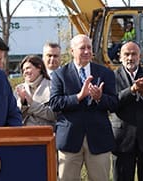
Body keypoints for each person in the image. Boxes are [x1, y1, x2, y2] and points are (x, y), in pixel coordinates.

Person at [49, 34, 118, 180]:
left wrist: (100, 98)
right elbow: (55, 103)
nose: (87, 51)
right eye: (82, 48)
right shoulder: (60, 75)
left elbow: (114, 103)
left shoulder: (105, 73)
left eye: (89, 48)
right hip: (70, 140)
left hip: (98, 139)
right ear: (72, 51)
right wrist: (78, 97)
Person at [110, 41, 143, 181]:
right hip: (122, 139)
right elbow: (112, 104)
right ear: (120, 57)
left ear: (140, 56)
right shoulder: (112, 77)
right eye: (126, 54)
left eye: (134, 54)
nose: (130, 58)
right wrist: (132, 90)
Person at [15, 55, 57, 127]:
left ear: (39, 67)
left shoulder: (52, 86)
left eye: (28, 68)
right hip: (24, 133)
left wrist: (32, 103)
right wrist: (23, 103)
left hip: (46, 133)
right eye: (23, 70)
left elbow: (54, 115)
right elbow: (15, 116)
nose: (25, 72)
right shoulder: (20, 88)